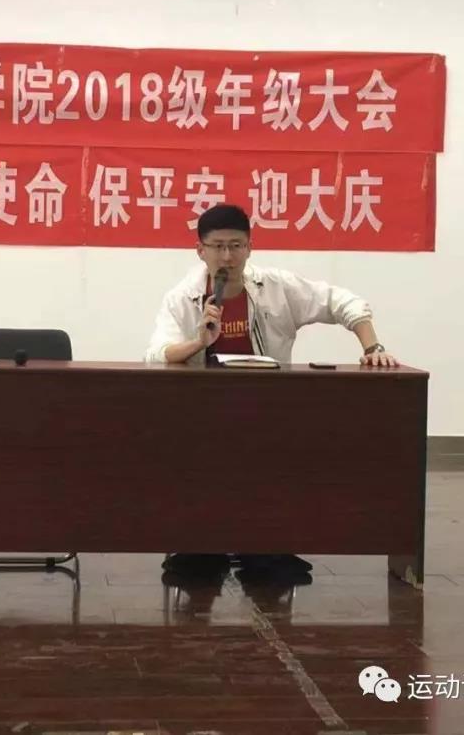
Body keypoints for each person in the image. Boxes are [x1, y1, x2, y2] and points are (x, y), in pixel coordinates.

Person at [144, 203, 399, 583]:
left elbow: (343, 303)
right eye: (217, 247)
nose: (227, 257)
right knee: (198, 457)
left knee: (286, 452)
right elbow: (157, 353)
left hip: (268, 406)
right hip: (202, 410)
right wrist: (198, 342)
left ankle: (265, 545)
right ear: (200, 250)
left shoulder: (276, 287)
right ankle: (201, 546)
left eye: (236, 246)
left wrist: (372, 347)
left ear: (250, 247)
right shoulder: (183, 297)